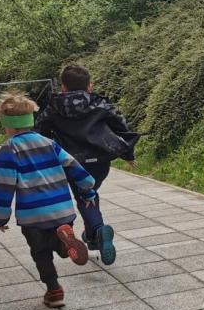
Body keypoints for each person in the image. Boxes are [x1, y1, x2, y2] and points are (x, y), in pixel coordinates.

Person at [0, 92, 97, 308]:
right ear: (30, 120)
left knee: (41, 253)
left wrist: (1, 217)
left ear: (7, 125)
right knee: (56, 242)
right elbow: (74, 166)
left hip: (33, 216)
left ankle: (54, 290)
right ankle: (65, 244)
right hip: (62, 211)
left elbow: (3, 187)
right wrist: (88, 191)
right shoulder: (49, 143)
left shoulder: (9, 149)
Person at [35, 63, 139, 266]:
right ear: (89, 86)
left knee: (82, 195)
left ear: (63, 87)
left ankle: (94, 230)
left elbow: (40, 131)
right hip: (100, 161)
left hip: (71, 162)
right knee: (88, 193)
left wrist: (44, 157)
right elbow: (122, 126)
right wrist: (127, 153)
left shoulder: (53, 108)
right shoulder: (100, 105)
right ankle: (93, 235)